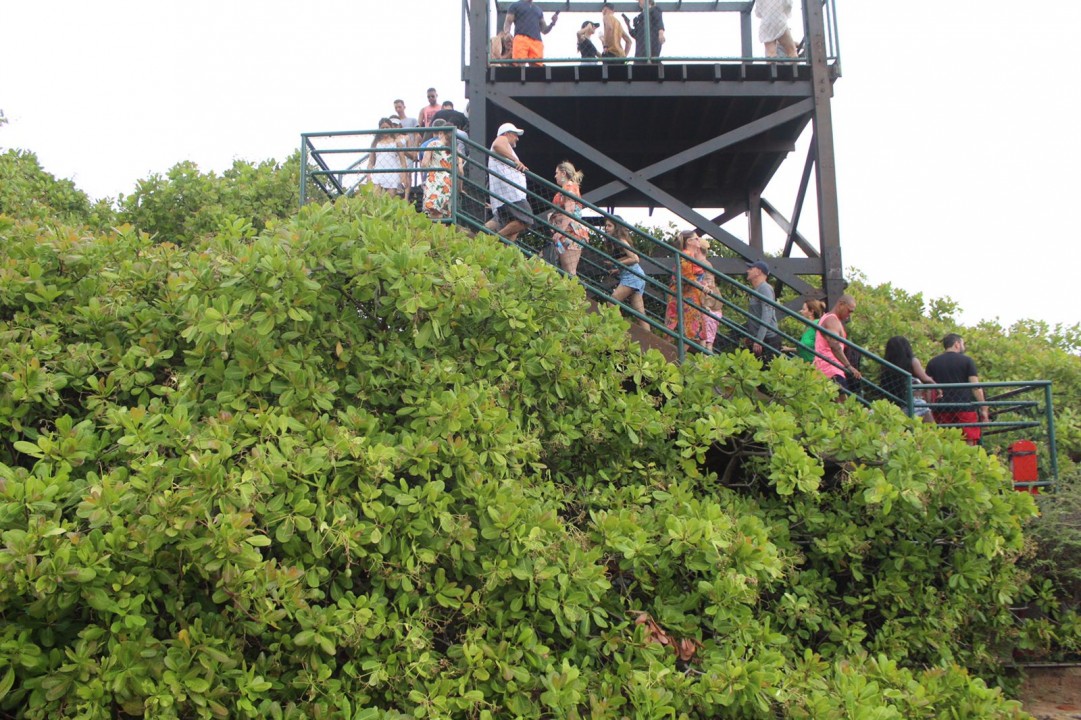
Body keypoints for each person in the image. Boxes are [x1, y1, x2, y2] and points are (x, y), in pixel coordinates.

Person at [926, 333, 989, 445]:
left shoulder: (933, 362)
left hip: (942, 407)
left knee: (944, 438)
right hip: (964, 406)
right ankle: (969, 461)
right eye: (962, 343)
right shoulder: (967, 361)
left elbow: (928, 388)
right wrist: (984, 408)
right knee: (969, 437)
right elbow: (975, 387)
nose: (963, 347)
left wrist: (929, 406)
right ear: (957, 344)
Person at [484, 123, 534, 243]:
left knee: (512, 229)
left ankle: (498, 250)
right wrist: (516, 160)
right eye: (515, 135)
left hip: (507, 194)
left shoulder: (507, 147)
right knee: (526, 219)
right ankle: (495, 238)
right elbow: (496, 145)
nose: (517, 138)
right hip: (511, 194)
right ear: (507, 133)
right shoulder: (502, 138)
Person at [880, 336, 937, 422]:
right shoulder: (912, 362)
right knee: (933, 431)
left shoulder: (886, 365)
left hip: (894, 405)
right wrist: (938, 387)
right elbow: (925, 379)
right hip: (914, 404)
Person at [605, 217, 649, 330]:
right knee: (640, 313)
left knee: (612, 302)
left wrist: (615, 262)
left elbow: (635, 258)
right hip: (633, 275)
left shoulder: (620, 240)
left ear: (616, 227)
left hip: (632, 276)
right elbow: (627, 261)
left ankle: (622, 333)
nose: (606, 228)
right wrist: (617, 269)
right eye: (606, 225)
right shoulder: (615, 242)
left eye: (609, 226)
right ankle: (651, 343)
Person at [813, 294, 861, 394]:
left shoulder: (828, 318)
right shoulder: (832, 321)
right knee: (842, 406)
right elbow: (834, 345)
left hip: (826, 369)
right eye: (849, 311)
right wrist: (849, 366)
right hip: (831, 370)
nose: (849, 315)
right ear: (841, 304)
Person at [665, 230, 706, 346]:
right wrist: (702, 287)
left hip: (684, 295)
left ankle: (672, 358)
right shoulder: (686, 254)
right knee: (690, 328)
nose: (699, 241)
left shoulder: (687, 255)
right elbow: (688, 277)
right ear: (689, 241)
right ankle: (677, 360)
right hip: (686, 297)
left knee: (678, 325)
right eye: (696, 238)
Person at [548, 161, 590, 276]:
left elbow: (569, 211)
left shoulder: (569, 188)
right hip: (566, 232)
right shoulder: (567, 188)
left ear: (563, 173)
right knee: (567, 270)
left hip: (570, 232)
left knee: (570, 271)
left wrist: (560, 231)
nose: (555, 176)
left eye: (557, 173)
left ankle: (578, 294)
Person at [744, 260, 782, 362]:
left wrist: (759, 339)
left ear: (758, 272)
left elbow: (767, 314)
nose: (748, 271)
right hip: (762, 339)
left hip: (768, 340)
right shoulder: (758, 289)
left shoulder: (764, 288)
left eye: (751, 269)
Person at [504, 0, 559, 66]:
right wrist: (507, 33)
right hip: (521, 38)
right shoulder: (515, 5)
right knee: (519, 66)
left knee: (537, 68)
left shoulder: (538, 10)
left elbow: (544, 30)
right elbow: (508, 21)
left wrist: (552, 23)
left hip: (536, 41)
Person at [422, 120, 457, 220]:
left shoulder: (433, 144)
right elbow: (460, 170)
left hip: (434, 178)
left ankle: (435, 234)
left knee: (433, 212)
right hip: (448, 181)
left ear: (441, 132)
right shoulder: (454, 148)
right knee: (444, 214)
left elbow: (424, 163)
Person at [366, 118, 408, 198]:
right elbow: (371, 161)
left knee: (390, 199)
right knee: (376, 198)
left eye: (387, 127)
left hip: (392, 174)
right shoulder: (376, 143)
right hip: (378, 173)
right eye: (383, 128)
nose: (385, 130)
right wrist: (368, 175)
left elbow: (403, 161)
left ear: (391, 128)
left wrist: (404, 175)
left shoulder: (396, 142)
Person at [692, 237, 721, 351]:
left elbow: (707, 286)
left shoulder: (702, 264)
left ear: (698, 250)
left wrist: (706, 305)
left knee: (705, 341)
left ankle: (706, 365)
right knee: (705, 340)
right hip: (710, 307)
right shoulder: (705, 264)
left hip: (707, 306)